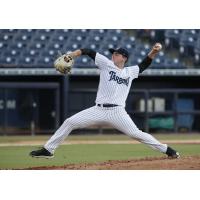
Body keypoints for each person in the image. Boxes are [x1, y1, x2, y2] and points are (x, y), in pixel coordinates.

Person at [30, 43, 180, 159]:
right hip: (98, 110)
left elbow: (145, 64)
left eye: (116, 54)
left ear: (124, 58)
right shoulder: (105, 63)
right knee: (70, 122)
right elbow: (87, 50)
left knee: (136, 134)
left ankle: (167, 149)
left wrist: (154, 51)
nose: (113, 55)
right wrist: (72, 55)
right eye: (113, 53)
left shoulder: (130, 72)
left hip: (117, 112)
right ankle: (48, 150)